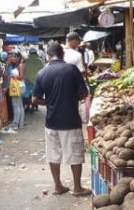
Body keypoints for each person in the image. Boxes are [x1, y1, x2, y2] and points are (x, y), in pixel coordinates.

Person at [32, 41, 91, 197]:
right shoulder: (71, 70)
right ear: (62, 54)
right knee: (75, 154)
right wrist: (74, 98)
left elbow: (34, 99)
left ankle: (58, 186)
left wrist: (49, 102)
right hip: (70, 120)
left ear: (49, 56)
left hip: (51, 122)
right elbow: (84, 93)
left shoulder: (42, 73)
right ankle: (77, 188)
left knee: (53, 154)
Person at [7, 51, 25, 130]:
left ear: (18, 57)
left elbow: (21, 77)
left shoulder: (20, 65)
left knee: (16, 106)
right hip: (19, 86)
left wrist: (13, 76)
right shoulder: (17, 65)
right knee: (20, 106)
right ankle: (20, 124)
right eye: (11, 57)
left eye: (14, 57)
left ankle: (15, 123)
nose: (12, 58)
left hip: (18, 86)